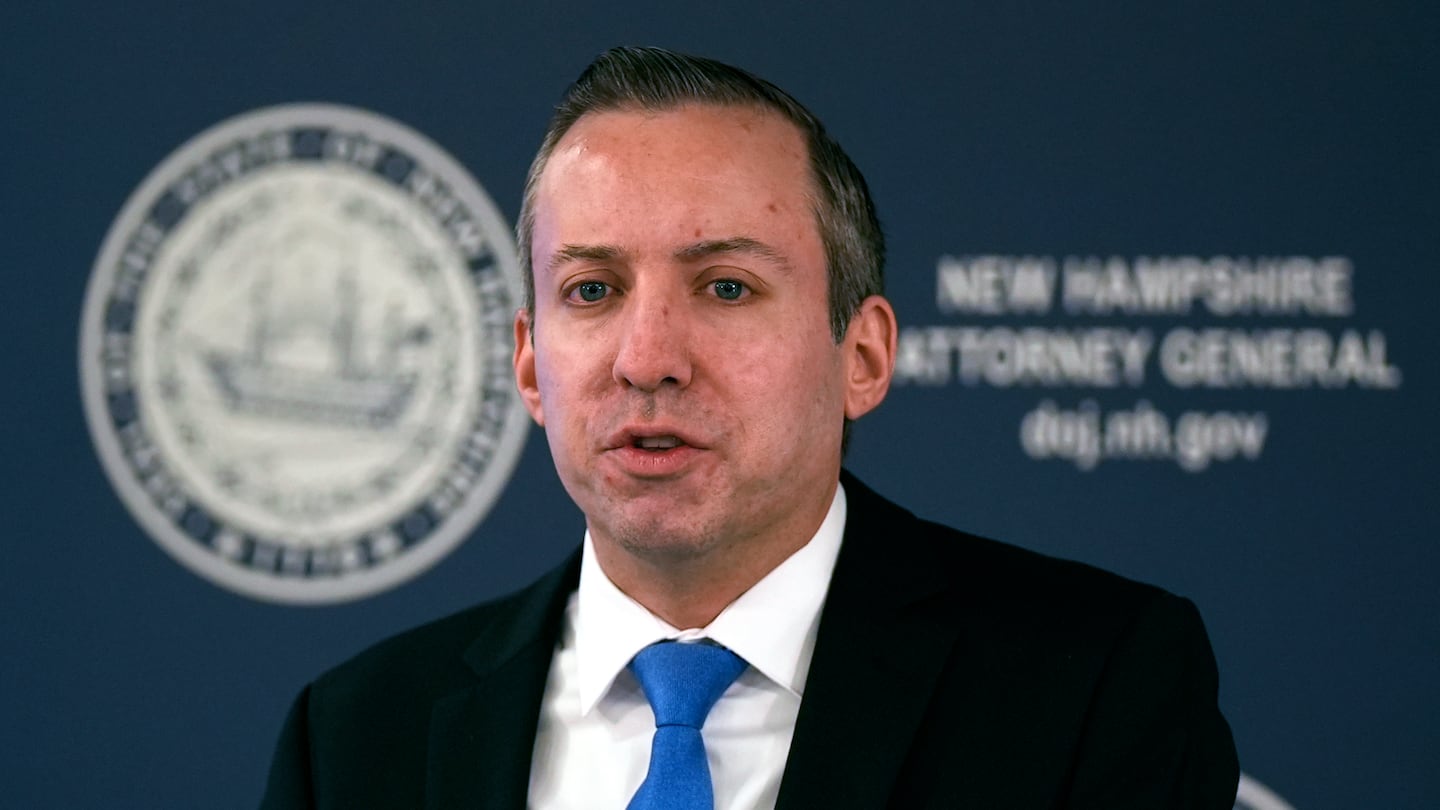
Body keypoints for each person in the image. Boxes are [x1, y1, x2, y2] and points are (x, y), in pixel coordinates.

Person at [260, 46, 1239, 809]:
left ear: (862, 356)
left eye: (726, 287)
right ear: (528, 364)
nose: (648, 358)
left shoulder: (1091, 688)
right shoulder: (353, 738)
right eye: (592, 290)